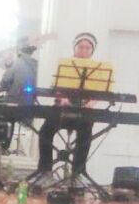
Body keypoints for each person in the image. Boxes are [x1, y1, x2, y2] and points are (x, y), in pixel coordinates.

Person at [34, 31, 100, 183]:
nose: (83, 50)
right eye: (80, 47)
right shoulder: (65, 65)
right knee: (45, 131)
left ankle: (78, 172)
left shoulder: (97, 69)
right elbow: (56, 87)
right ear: (74, 48)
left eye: (87, 48)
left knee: (86, 134)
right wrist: (63, 99)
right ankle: (45, 170)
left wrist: (90, 104)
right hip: (62, 107)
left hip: (84, 110)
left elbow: (99, 90)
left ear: (92, 50)